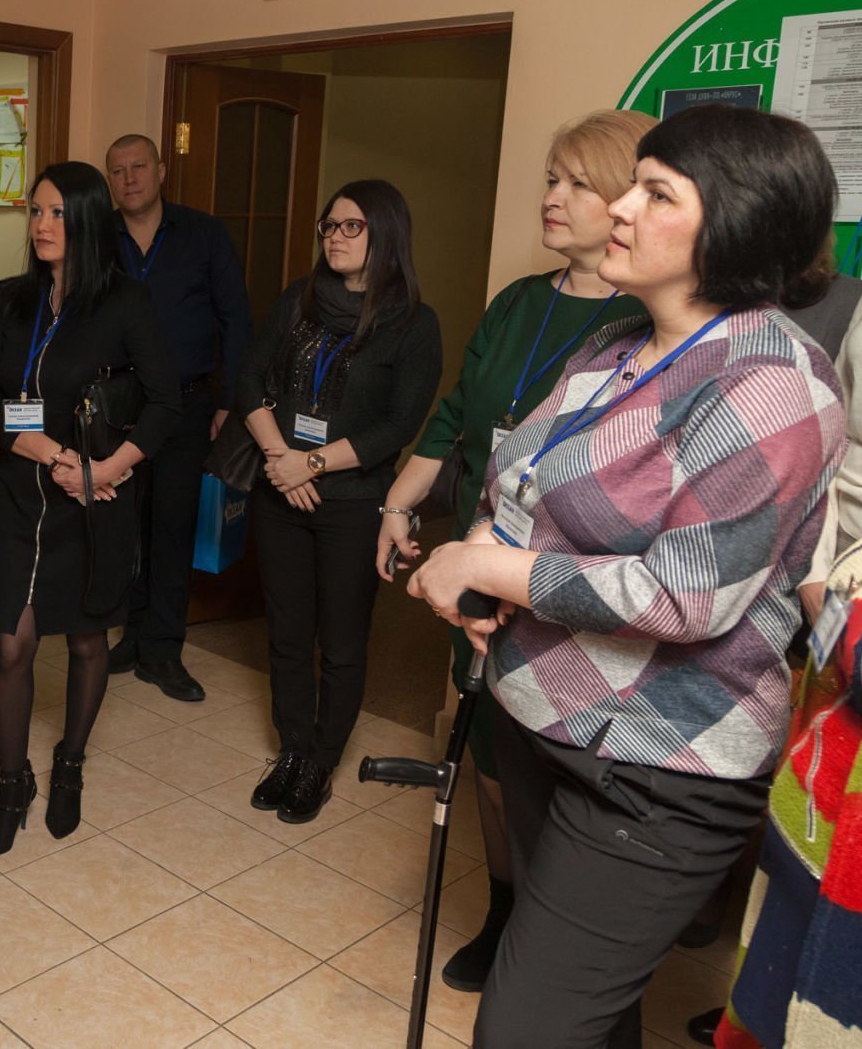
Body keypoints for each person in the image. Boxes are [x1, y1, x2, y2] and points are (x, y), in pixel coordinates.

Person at [407, 104, 846, 1048]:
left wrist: (487, 564)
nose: (619, 208)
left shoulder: (772, 381)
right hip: (541, 718)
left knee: (522, 1030)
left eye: (656, 193)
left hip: (659, 764)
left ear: (734, 224)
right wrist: (485, 552)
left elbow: (685, 595)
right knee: (592, 1020)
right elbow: (517, 478)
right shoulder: (612, 344)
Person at [374, 108, 654, 992]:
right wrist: (398, 503)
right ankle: (504, 907)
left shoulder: (647, 324)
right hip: (480, 564)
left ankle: (550, 932)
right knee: (490, 757)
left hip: (567, 586)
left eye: (577, 183)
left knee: (557, 770)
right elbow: (459, 415)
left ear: (628, 201)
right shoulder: (518, 303)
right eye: (551, 178)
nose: (552, 197)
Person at [714, 250, 862, 1049]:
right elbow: (839, 426)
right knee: (808, 815)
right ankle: (771, 1002)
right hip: (838, 572)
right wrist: (821, 577)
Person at [0, 161, 181, 858]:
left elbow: (165, 402)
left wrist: (102, 470)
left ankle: (69, 763)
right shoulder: (9, 298)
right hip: (23, 493)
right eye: (35, 211)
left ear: (88, 220)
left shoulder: (125, 301)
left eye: (57, 213)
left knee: (88, 640)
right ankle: (13, 784)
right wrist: (51, 454)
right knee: (12, 644)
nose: (42, 225)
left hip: (95, 500)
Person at [237, 179, 442, 824]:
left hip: (353, 503)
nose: (335, 236)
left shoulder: (413, 323)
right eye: (330, 225)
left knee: (343, 641)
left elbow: (398, 425)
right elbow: (248, 378)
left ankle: (321, 761)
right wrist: (282, 460)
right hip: (282, 493)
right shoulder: (300, 300)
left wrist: (314, 462)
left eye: (352, 226)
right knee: (287, 636)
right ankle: (293, 750)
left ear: (386, 234)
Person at [104, 134, 252, 702]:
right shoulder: (99, 237)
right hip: (119, 406)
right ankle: (132, 634)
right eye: (118, 170)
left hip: (188, 405)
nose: (129, 178)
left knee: (172, 524)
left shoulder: (204, 234)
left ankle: (163, 650)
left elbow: (235, 319)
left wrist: (228, 402)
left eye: (139, 166)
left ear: (161, 170)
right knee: (125, 525)